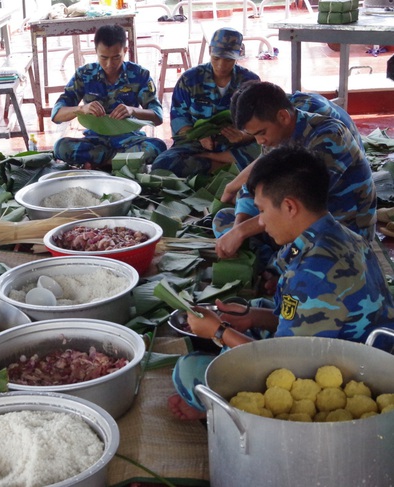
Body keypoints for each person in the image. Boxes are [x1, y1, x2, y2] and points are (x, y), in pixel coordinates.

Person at [168, 146, 394, 421]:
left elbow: (285, 369)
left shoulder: (314, 274)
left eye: (262, 210)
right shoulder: (337, 235)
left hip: (344, 377)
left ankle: (216, 413)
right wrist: (250, 319)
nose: (259, 221)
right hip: (338, 343)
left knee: (189, 371)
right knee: (250, 309)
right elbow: (294, 313)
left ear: (289, 206)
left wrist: (219, 332)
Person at [214, 81, 376, 261]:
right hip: (292, 220)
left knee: (307, 272)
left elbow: (296, 206)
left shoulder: (329, 137)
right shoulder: (276, 137)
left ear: (283, 116)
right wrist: (238, 227)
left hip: (339, 227)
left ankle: (274, 264)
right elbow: (258, 184)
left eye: (261, 132)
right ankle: (271, 262)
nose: (260, 141)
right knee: (225, 219)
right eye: (254, 136)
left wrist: (242, 231)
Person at [51, 24, 167, 169]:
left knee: (158, 147)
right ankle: (120, 162)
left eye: (116, 57)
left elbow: (157, 116)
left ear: (125, 51)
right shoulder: (85, 74)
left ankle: (99, 163)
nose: (109, 64)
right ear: (96, 52)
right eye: (103, 57)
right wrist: (82, 109)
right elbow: (56, 114)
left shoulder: (139, 74)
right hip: (95, 140)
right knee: (61, 147)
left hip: (129, 139)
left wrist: (132, 110)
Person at [152, 27, 261, 177]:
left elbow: (261, 122)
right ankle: (228, 167)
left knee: (271, 153)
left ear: (238, 56)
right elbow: (179, 119)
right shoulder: (190, 79)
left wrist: (243, 135)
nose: (221, 65)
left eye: (229, 59)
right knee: (162, 164)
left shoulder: (249, 81)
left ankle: (212, 164)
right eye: (216, 58)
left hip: (235, 145)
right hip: (197, 144)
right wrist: (199, 136)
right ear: (210, 51)